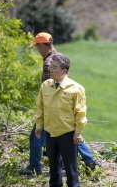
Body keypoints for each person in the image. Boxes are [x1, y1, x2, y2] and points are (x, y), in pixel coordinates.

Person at [22, 32, 100, 176]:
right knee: (70, 135)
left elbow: (49, 88)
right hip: (65, 107)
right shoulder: (59, 58)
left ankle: (34, 167)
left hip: (52, 109)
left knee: (37, 137)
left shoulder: (48, 64)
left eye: (37, 47)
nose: (37, 51)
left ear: (42, 46)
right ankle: (89, 160)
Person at [35, 54, 86, 187]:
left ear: (64, 71)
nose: (51, 70)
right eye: (51, 67)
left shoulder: (76, 88)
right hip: (50, 132)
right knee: (53, 167)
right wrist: (39, 126)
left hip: (67, 133)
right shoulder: (46, 85)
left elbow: (80, 112)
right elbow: (40, 107)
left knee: (70, 168)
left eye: (55, 68)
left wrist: (78, 132)